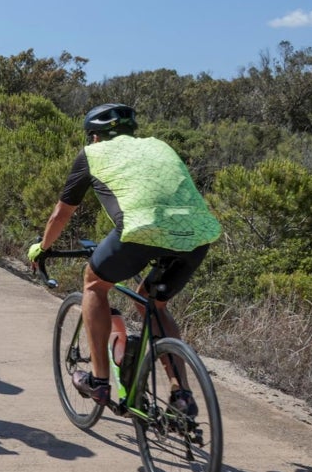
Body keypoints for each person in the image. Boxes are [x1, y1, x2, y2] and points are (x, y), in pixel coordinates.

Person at [28, 103, 221, 413]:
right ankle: (180, 393)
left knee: (94, 283)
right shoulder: (159, 145)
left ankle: (100, 382)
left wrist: (42, 247)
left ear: (94, 137)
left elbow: (61, 214)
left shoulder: (91, 155)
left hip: (140, 231)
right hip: (198, 235)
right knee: (152, 303)